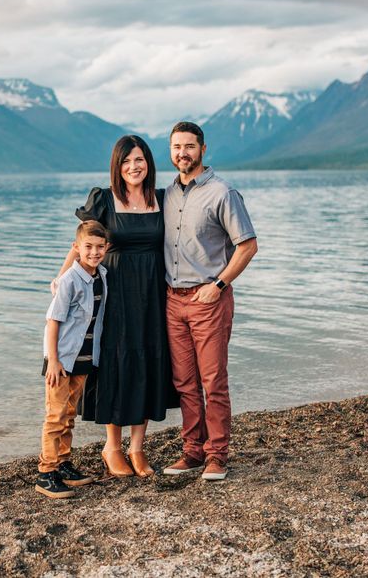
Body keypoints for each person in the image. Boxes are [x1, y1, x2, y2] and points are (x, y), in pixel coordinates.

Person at [54, 135, 176, 479]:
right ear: (117, 166)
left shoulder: (163, 199)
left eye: (139, 160)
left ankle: (138, 449)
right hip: (113, 293)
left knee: (149, 360)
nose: (133, 167)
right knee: (115, 361)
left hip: (152, 294)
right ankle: (113, 447)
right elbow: (81, 241)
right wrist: (62, 278)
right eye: (126, 161)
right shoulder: (104, 199)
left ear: (148, 163)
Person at [161, 121, 257, 482]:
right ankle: (192, 451)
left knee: (213, 380)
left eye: (188, 146)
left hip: (208, 299)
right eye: (175, 147)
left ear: (203, 149)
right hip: (173, 301)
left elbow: (247, 246)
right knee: (184, 382)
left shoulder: (223, 193)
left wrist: (219, 284)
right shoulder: (166, 196)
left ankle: (217, 455)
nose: (182, 153)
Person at [36, 220, 109, 499]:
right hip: (62, 360)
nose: (94, 252)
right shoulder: (69, 281)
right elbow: (52, 321)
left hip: (85, 358)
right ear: (76, 248)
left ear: (107, 248)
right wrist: (52, 360)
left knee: (68, 414)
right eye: (88, 247)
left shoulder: (102, 275)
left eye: (99, 247)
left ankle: (63, 463)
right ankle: (46, 472)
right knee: (55, 416)